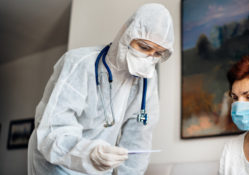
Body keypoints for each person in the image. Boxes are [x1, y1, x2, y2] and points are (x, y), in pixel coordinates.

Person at [28, 3, 174, 175]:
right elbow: (54, 129)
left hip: (99, 167)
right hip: (58, 161)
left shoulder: (147, 81)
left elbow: (139, 138)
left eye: (158, 53)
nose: (149, 58)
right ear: (126, 34)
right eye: (144, 47)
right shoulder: (79, 63)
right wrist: (89, 153)